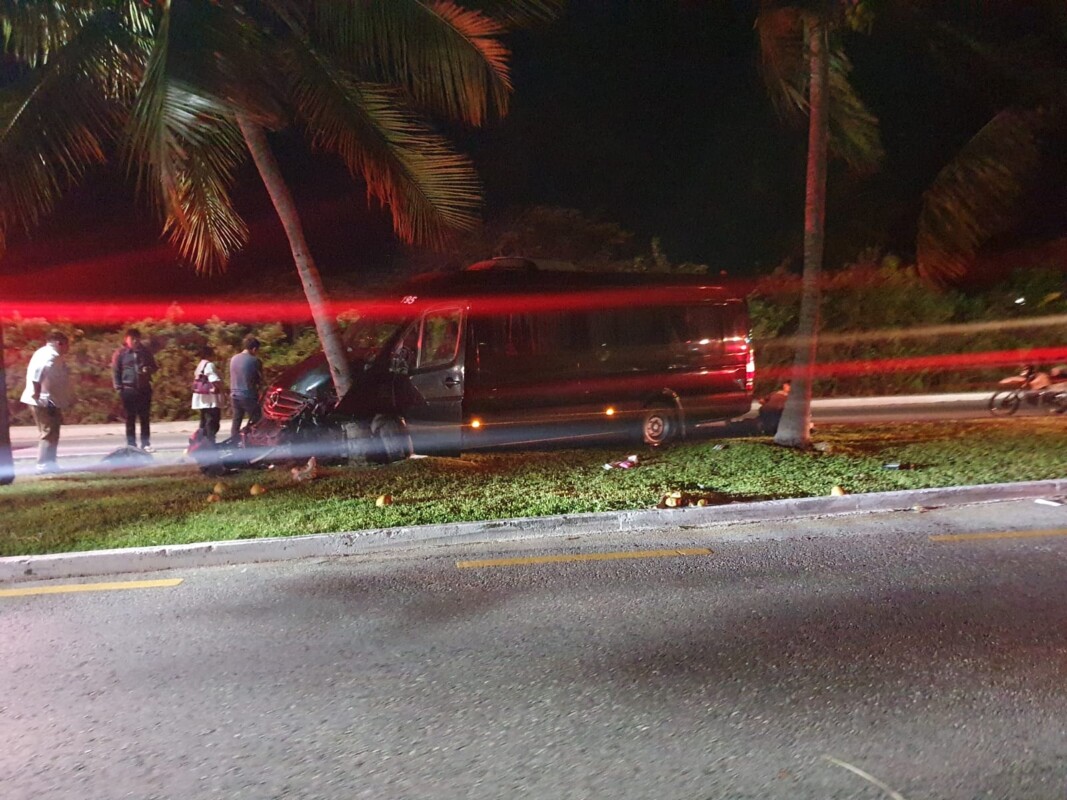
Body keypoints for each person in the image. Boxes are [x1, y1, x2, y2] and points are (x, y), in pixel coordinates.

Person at [20, 331, 72, 473]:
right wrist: (37, 393)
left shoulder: (43, 353)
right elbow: (37, 374)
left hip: (50, 399)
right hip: (44, 400)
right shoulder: (51, 356)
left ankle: (50, 462)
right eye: (66, 345)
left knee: (53, 431)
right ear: (59, 343)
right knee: (48, 432)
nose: (68, 348)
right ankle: (43, 464)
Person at [111, 328, 158, 451]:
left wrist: (148, 369)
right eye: (132, 339)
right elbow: (116, 371)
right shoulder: (121, 353)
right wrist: (118, 387)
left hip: (144, 388)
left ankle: (145, 443)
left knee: (144, 417)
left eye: (137, 338)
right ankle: (131, 445)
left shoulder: (145, 352)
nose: (135, 341)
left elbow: (154, 367)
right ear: (126, 339)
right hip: (128, 389)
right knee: (130, 418)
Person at [229, 336, 264, 440]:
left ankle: (234, 441)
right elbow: (259, 379)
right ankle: (254, 440)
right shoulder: (255, 361)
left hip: (234, 394)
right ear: (254, 349)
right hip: (248, 395)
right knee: (258, 418)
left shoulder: (233, 358)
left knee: (236, 420)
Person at [191, 345, 223, 443]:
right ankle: (210, 442)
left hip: (202, 399)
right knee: (212, 421)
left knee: (204, 421)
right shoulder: (209, 365)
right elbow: (213, 379)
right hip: (210, 399)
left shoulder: (200, 365)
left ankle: (202, 441)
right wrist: (219, 387)